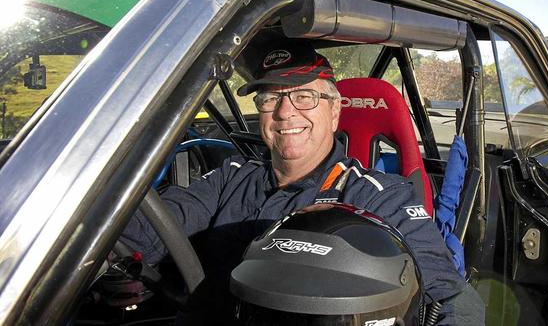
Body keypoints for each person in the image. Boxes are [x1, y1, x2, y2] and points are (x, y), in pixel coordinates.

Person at [121, 40, 484, 325]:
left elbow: (451, 299)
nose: (285, 111)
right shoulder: (232, 176)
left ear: (335, 110)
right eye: (271, 98)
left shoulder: (382, 200)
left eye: (304, 96)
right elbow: (156, 225)